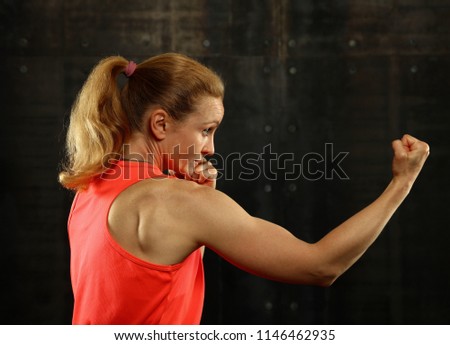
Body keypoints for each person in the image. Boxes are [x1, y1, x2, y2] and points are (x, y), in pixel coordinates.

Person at [59, 53, 429, 325]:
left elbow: (154, 288)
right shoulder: (175, 201)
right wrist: (402, 182)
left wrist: (198, 202)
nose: (211, 149)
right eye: (206, 130)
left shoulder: (90, 186)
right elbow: (321, 266)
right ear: (160, 124)